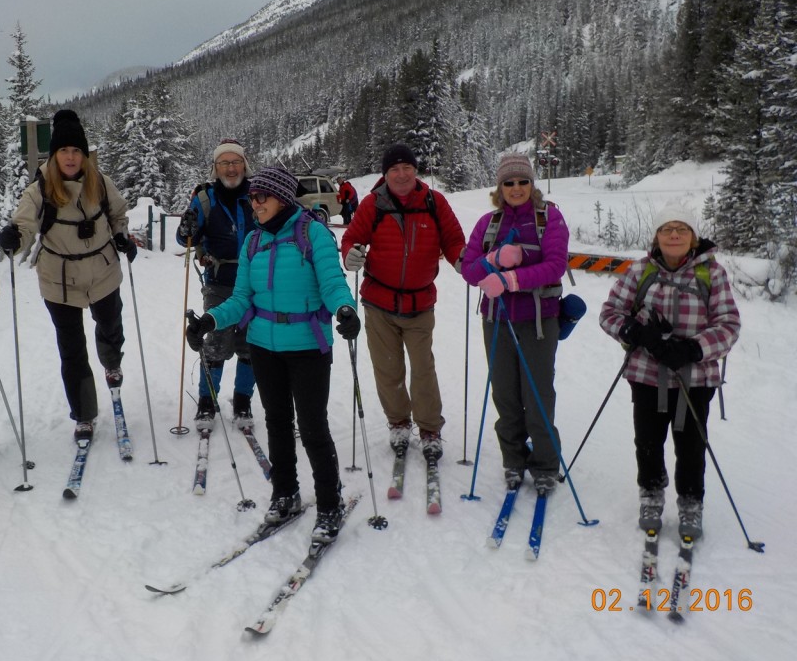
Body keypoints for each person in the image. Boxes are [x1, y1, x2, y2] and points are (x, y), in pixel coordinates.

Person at [186, 165, 360, 544]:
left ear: (281, 198)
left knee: (313, 427)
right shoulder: (253, 242)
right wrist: (210, 320)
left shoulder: (314, 234)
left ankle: (329, 503)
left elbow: (333, 284)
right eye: (251, 198)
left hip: (308, 347)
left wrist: (345, 310)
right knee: (278, 424)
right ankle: (285, 494)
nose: (254, 203)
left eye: (260, 197)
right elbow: (241, 298)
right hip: (264, 346)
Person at [598, 204, 740, 539]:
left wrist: (693, 348)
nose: (673, 235)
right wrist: (635, 332)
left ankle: (691, 502)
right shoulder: (640, 271)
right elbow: (609, 313)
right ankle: (651, 493)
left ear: (693, 237)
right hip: (646, 374)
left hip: (695, 377)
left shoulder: (711, 274)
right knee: (647, 440)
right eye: (666, 229)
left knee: (691, 444)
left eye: (681, 229)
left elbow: (729, 325)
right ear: (657, 236)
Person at [0, 109, 136, 442]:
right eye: (64, 150)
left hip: (102, 271)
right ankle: (84, 414)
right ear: (55, 154)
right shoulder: (40, 188)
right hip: (59, 279)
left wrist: (121, 235)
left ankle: (111, 361)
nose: (71, 157)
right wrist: (14, 238)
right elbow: (25, 223)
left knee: (111, 326)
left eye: (76, 151)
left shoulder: (99, 181)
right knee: (72, 350)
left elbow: (117, 213)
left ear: (83, 154)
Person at [340, 143, 465, 462]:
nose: (401, 173)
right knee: (388, 369)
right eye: (394, 169)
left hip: (420, 303)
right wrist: (351, 255)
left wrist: (463, 261)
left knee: (423, 368)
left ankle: (429, 429)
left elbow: (453, 241)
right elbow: (352, 238)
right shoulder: (372, 204)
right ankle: (398, 423)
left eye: (406, 167)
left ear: (416, 170)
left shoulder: (434, 203)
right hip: (378, 302)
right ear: (385, 174)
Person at [460, 152, 569, 495]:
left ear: (532, 184)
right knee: (505, 396)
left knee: (537, 397)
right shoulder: (488, 223)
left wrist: (510, 281)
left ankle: (546, 464)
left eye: (523, 181)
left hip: (538, 321)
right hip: (497, 322)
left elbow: (555, 266)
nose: (517, 188)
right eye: (509, 182)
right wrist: (493, 260)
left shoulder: (549, 217)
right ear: (500, 187)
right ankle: (513, 460)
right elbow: (468, 269)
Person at [176, 139, 257, 429]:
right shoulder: (205, 198)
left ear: (244, 165)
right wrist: (187, 229)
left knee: (251, 343)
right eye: (224, 163)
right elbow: (186, 238)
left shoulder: (259, 193)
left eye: (236, 162)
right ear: (216, 167)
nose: (231, 168)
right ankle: (207, 401)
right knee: (216, 344)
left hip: (257, 282)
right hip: (219, 281)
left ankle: (243, 400)